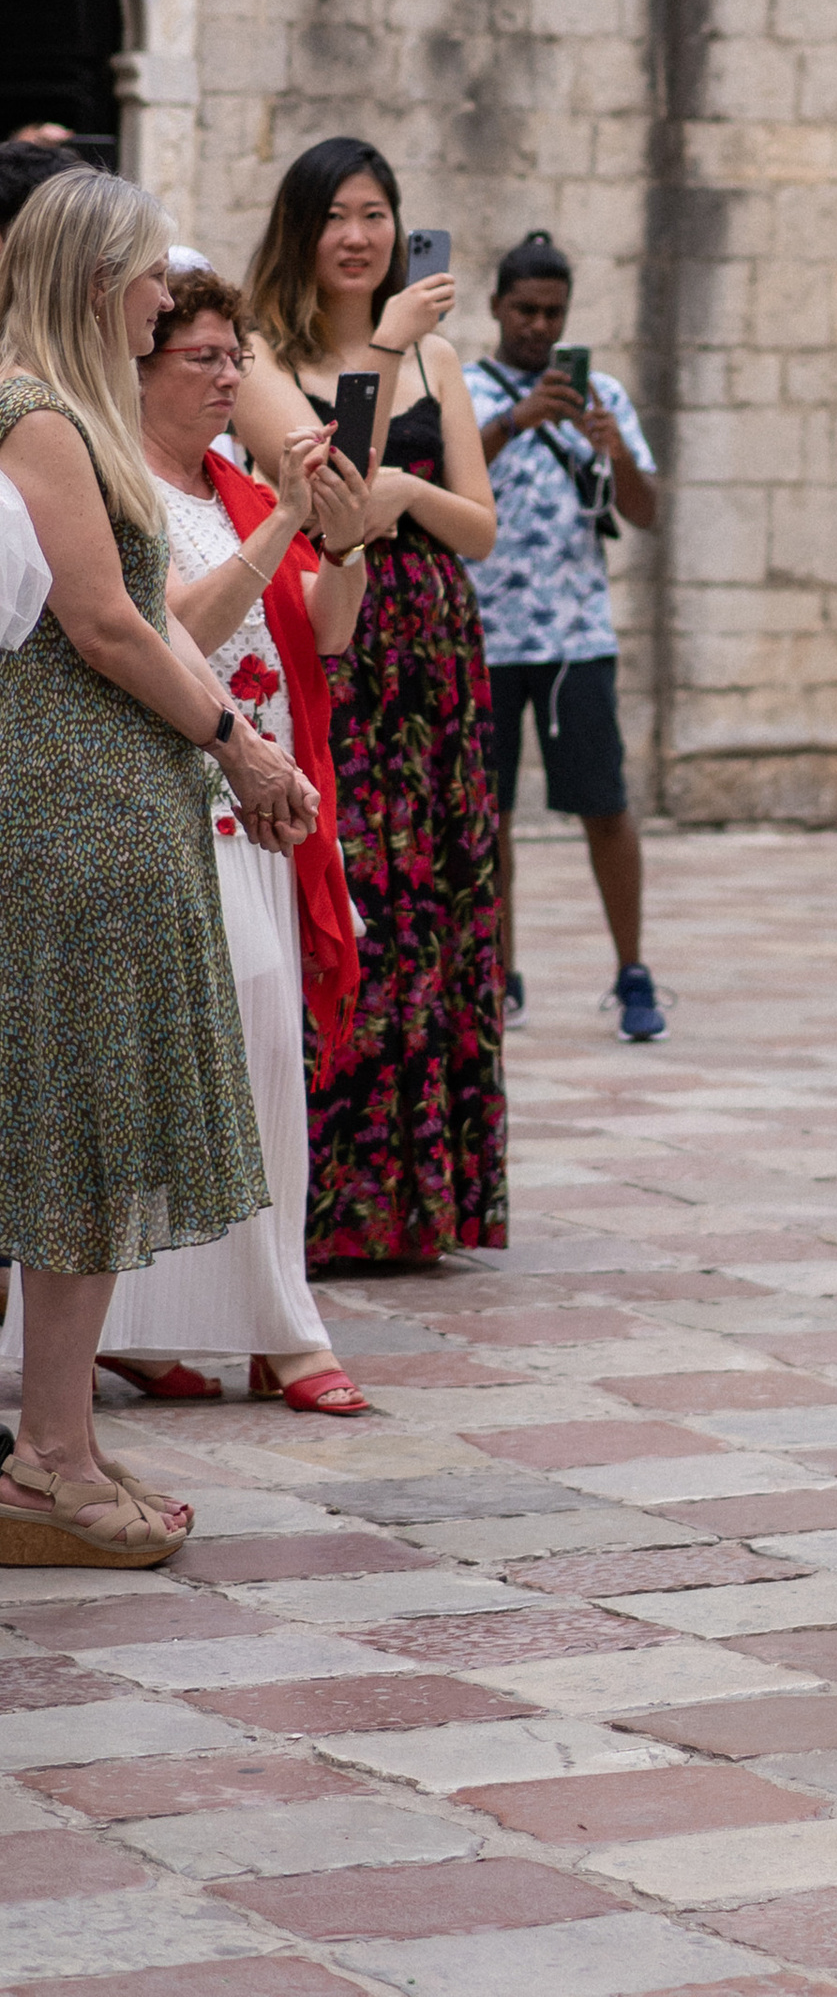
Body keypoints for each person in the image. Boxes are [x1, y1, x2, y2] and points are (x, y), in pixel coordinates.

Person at [0, 170, 315, 1568]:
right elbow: (110, 627)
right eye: (145, 277)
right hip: (75, 812)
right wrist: (240, 746)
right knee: (80, 1128)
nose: (161, 298)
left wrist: (236, 737)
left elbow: (142, 624)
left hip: (113, 803)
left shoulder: (72, 414)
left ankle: (56, 1439)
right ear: (88, 282)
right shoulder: (42, 414)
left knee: (91, 1125)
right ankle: (48, 1457)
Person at [74, 271, 372, 1412]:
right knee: (231, 1035)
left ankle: (184, 1322)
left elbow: (321, 637)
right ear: (140, 368)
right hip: (174, 796)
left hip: (266, 807)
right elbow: (158, 630)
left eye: (236, 359)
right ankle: (277, 1332)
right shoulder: (116, 493)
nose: (230, 379)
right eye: (202, 357)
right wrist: (290, 526)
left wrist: (337, 545)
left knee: (253, 1057)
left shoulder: (244, 491)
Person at [235, 139, 504, 1267]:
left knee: (433, 900)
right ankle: (323, 1196)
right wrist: (387, 354)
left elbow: (480, 525)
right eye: (337, 215)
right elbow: (323, 488)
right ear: (300, 230)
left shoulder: (442, 359)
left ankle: (417, 1200)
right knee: (339, 887)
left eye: (377, 213)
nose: (361, 235)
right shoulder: (256, 352)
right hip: (327, 634)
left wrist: (409, 492)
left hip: (433, 648)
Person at [464, 232, 663, 1041]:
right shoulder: (465, 392)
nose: (540, 327)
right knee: (490, 815)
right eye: (526, 311)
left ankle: (632, 973)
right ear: (497, 308)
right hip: (482, 634)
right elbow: (441, 480)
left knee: (605, 807)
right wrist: (515, 421)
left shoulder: (602, 394)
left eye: (554, 313)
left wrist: (611, 451)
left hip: (576, 633)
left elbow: (645, 513)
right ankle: (498, 973)